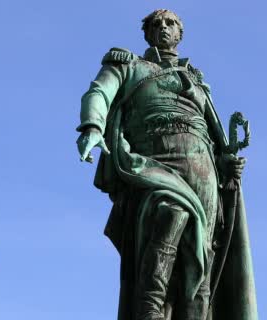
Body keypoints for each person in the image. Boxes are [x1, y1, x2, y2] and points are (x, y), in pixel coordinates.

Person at [76, 9, 257, 320]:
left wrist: (226, 164)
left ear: (179, 34)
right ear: (147, 33)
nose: (163, 27)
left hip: (202, 167)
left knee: (201, 252)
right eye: (156, 24)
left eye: (170, 23)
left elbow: (213, 134)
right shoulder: (127, 65)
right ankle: (149, 311)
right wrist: (92, 125)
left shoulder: (196, 79)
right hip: (152, 161)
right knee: (170, 212)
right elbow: (99, 93)